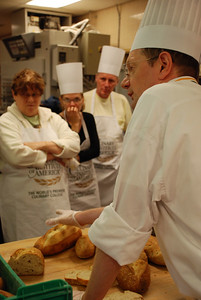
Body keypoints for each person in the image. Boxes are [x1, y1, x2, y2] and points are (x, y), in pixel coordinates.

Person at [46, 0, 201, 299]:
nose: (125, 82)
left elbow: (127, 222)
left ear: (164, 64)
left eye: (130, 68)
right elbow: (162, 199)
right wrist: (79, 218)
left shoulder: (157, 99)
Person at [0, 68, 80, 243]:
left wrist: (39, 145)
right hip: (23, 209)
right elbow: (16, 154)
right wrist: (56, 153)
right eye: (25, 94)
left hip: (56, 202)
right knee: (23, 255)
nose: (30, 100)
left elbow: (74, 145)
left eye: (35, 95)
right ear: (14, 94)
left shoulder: (52, 118)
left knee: (59, 250)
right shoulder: (5, 122)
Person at [84, 45, 132, 206]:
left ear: (117, 82)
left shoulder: (122, 101)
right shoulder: (84, 99)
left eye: (111, 80)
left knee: (112, 209)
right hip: (90, 170)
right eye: (103, 79)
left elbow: (131, 134)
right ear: (96, 78)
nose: (106, 84)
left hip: (114, 172)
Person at [56, 62, 101, 210]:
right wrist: (75, 125)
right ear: (61, 101)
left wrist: (74, 158)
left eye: (76, 99)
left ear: (83, 100)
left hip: (89, 184)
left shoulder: (88, 118)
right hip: (68, 185)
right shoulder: (56, 120)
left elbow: (95, 150)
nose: (72, 104)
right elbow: (60, 153)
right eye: (67, 99)